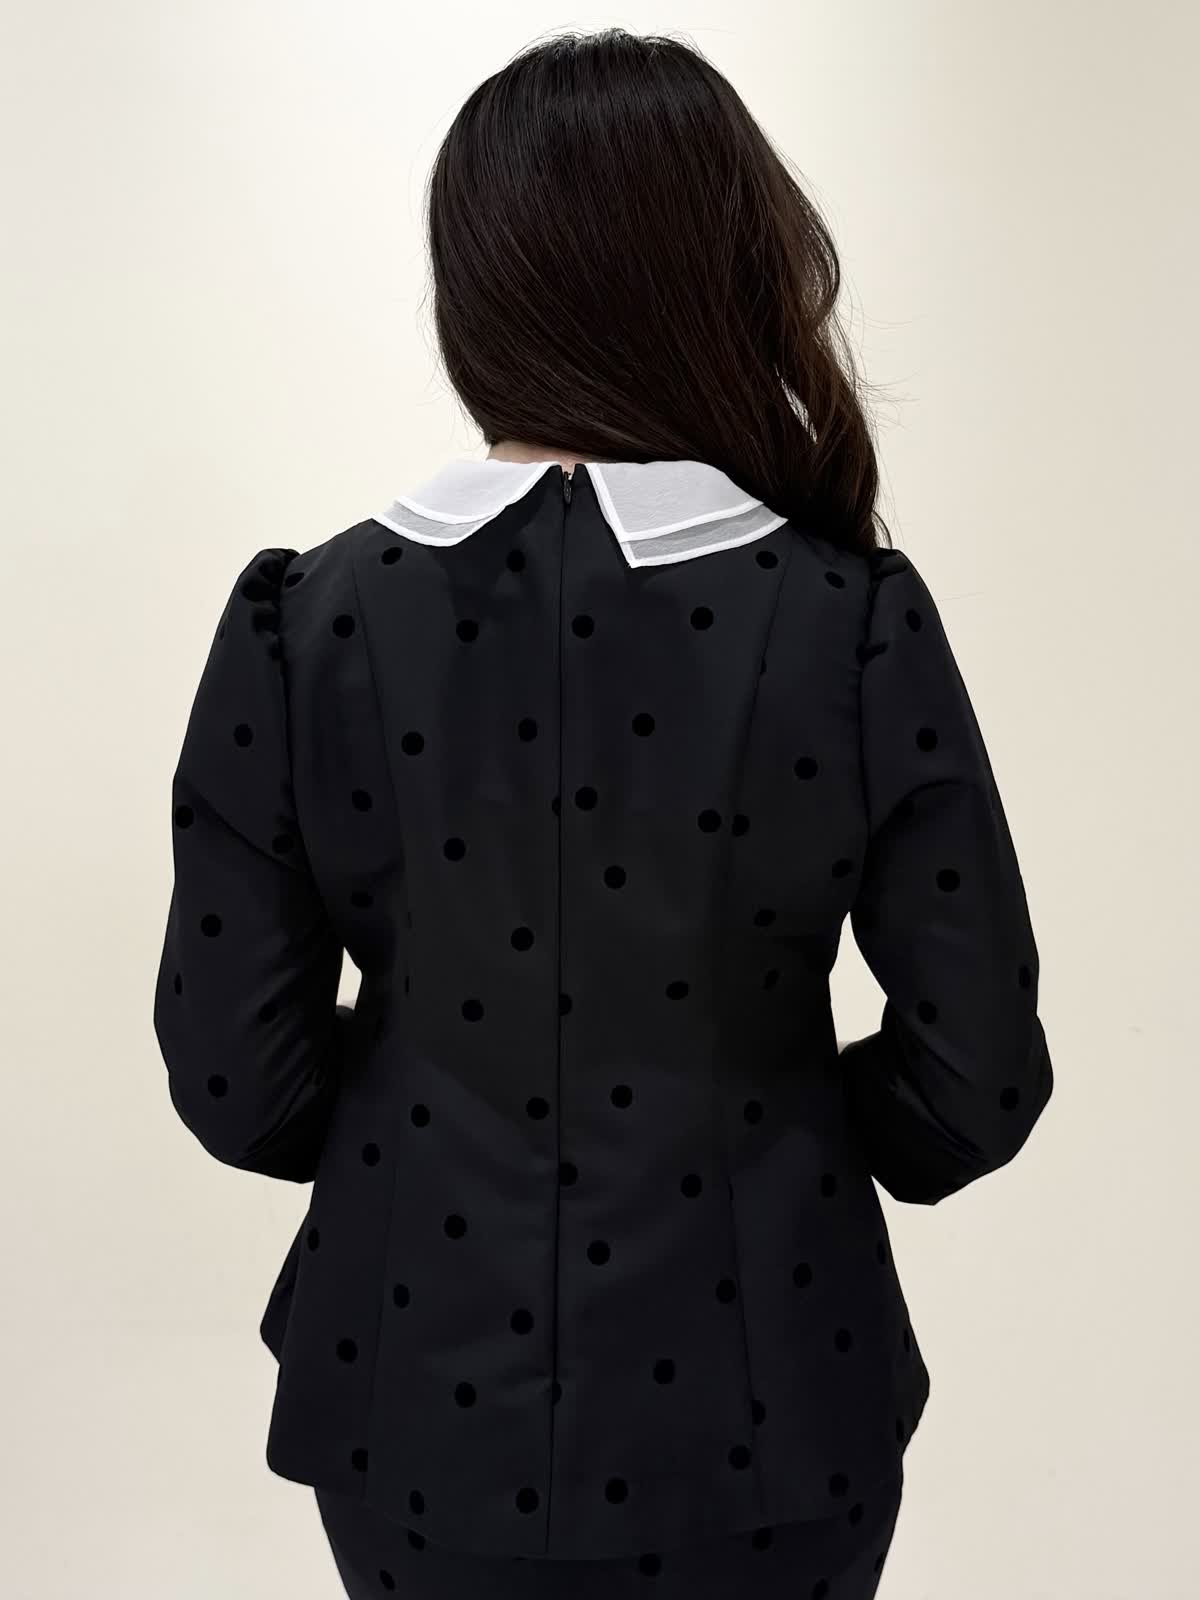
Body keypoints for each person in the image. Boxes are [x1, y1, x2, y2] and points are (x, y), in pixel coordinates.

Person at [151, 26, 1053, 1599]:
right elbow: (975, 1077)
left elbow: (240, 1081)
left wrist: (435, 1110)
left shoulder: (312, 621)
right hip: (782, 1410)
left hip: (410, 1409)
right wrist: (772, 1132)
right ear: (732, 269)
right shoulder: (851, 622)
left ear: (473, 281)